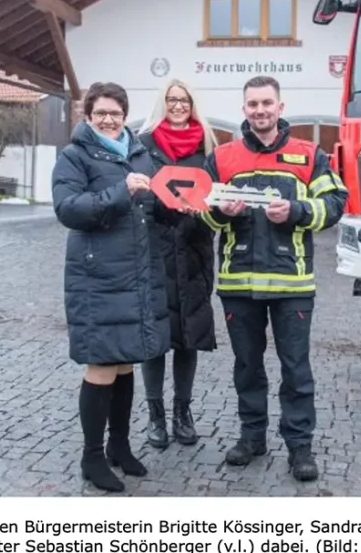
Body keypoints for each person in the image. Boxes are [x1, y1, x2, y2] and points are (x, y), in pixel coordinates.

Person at [199, 75, 348, 482]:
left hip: (292, 286)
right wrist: (221, 212)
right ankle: (252, 438)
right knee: (247, 366)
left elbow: (335, 203)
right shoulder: (223, 157)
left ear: (280, 108)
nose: (260, 111)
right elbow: (204, 211)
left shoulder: (308, 153)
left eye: (267, 103)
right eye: (252, 104)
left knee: (295, 368)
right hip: (238, 284)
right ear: (244, 109)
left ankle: (300, 447)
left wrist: (298, 212)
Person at [51, 81, 172, 493]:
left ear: (125, 116)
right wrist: (121, 191)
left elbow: (157, 206)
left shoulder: (140, 153)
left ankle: (120, 447)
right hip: (98, 278)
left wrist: (179, 209)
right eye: (101, 112)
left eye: (115, 113)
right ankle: (92, 456)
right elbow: (68, 209)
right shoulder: (74, 156)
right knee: (101, 365)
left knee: (125, 362)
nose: (108, 119)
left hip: (137, 273)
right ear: (89, 116)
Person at [136, 79, 218, 449]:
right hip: (155, 250)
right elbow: (139, 195)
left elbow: (215, 197)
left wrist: (204, 212)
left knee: (188, 336)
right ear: (162, 103)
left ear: (192, 103)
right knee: (155, 338)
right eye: (171, 99)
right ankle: (155, 417)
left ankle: (182, 413)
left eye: (184, 100)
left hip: (195, 249)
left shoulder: (208, 147)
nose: (178, 105)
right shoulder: (145, 145)